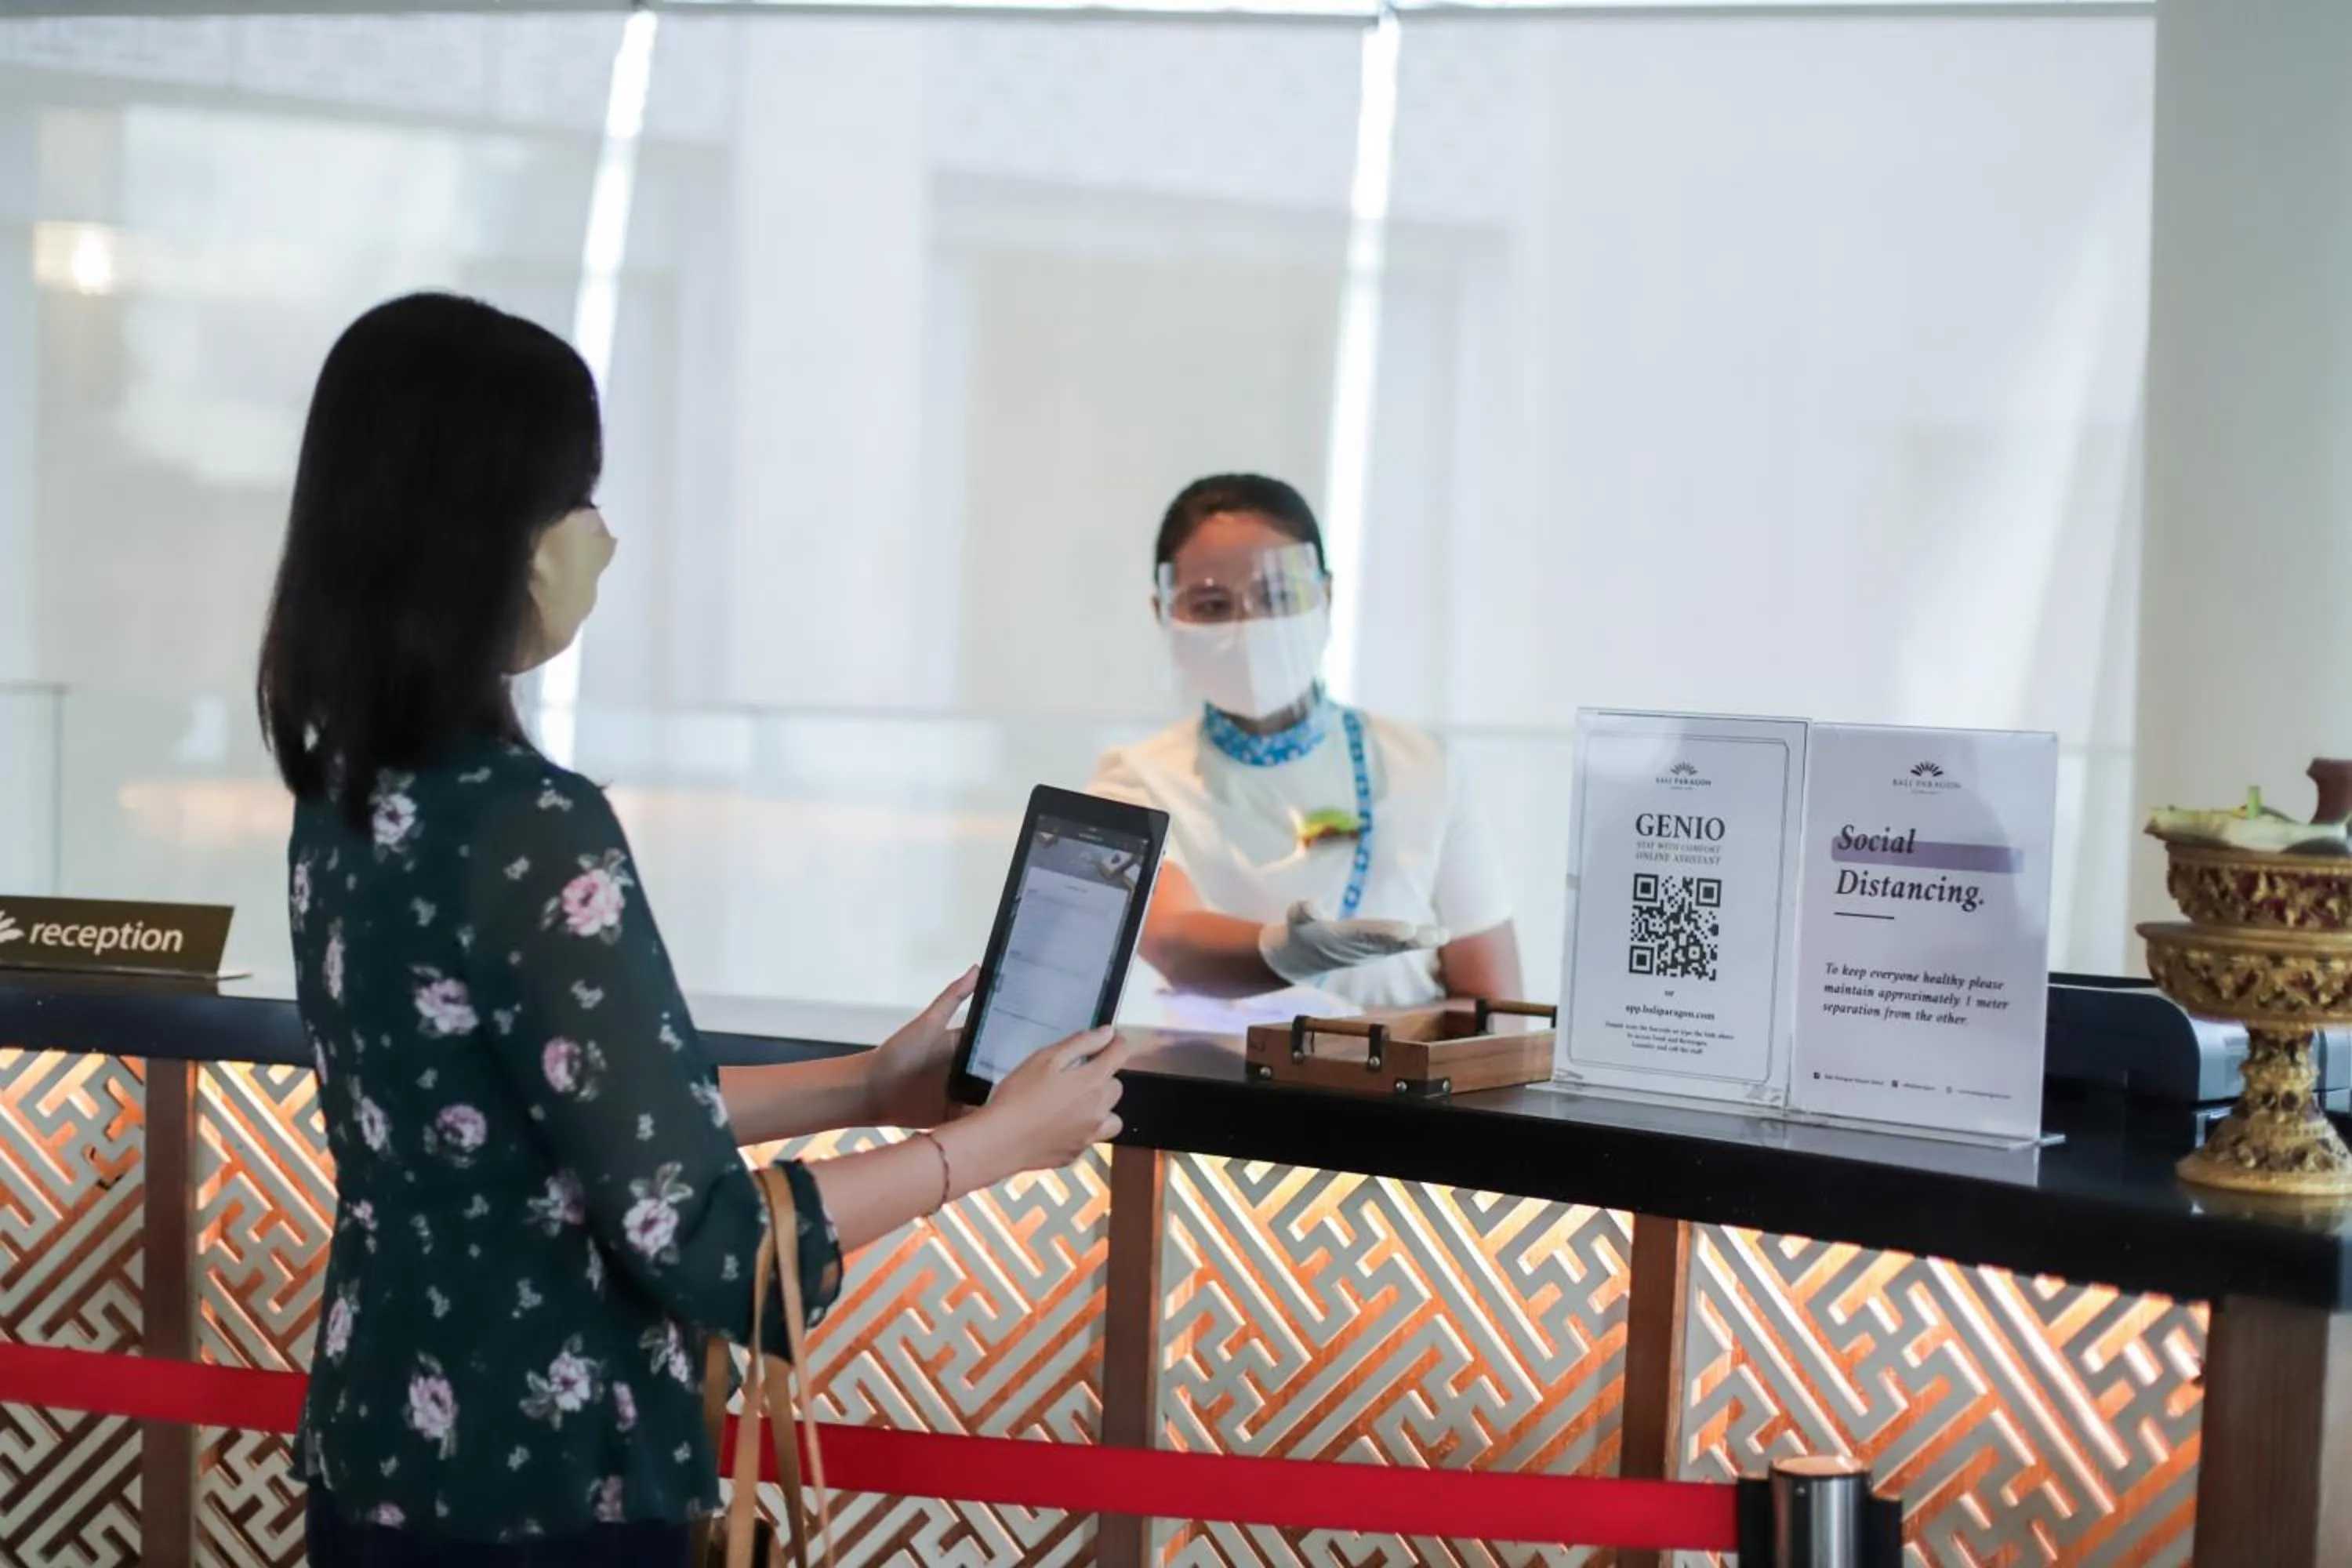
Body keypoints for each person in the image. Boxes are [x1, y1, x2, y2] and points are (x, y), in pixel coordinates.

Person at [256, 292, 1132, 1564]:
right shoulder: (531, 825)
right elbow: (709, 1241)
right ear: (490, 527)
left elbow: (569, 1123)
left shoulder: (349, 799)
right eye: (578, 496)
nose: (600, 538)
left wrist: (871, 1085)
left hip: (380, 1450)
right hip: (549, 1489)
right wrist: (994, 1147)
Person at [1087, 474, 1521, 1010]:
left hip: (1404, 1090)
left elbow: (1496, 1008)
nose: (1249, 625)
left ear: (1327, 596)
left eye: (1277, 597)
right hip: (1213, 1085)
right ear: (1163, 615)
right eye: (1212, 605)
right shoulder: (1133, 782)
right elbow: (1173, 942)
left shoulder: (1426, 767)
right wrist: (1289, 951)